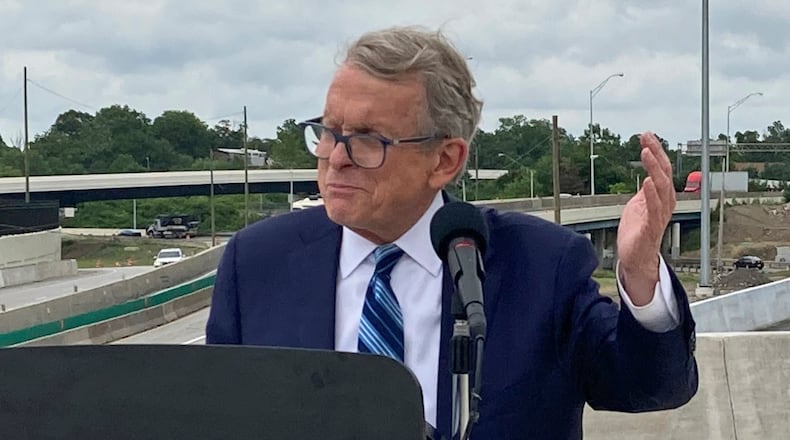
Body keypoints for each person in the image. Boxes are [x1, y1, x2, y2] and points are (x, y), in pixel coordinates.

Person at [206, 26, 698, 439]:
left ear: (445, 160)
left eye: (367, 141)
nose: (336, 157)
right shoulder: (257, 263)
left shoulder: (540, 265)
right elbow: (215, 417)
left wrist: (638, 272)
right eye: (330, 132)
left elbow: (652, 386)